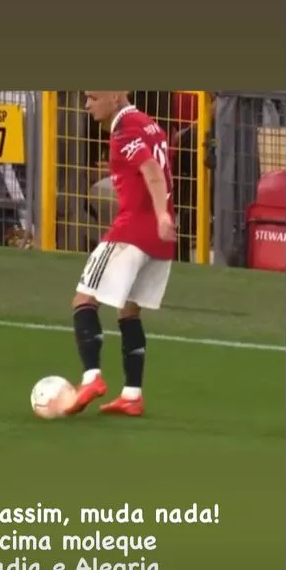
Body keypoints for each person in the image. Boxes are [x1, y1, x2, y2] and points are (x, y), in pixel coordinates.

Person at [66, 91, 176, 418]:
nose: (87, 104)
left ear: (115, 97)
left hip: (133, 232)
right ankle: (132, 395)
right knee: (129, 310)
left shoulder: (125, 130)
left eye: (92, 97)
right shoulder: (149, 124)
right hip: (159, 241)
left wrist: (161, 215)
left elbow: (152, 170)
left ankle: (91, 378)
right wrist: (164, 217)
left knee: (84, 299)